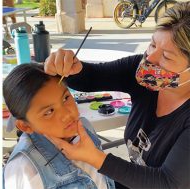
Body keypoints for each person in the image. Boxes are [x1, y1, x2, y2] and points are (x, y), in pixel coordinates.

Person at [43, 2, 190, 188]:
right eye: (152, 44)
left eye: (167, 57)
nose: (150, 58)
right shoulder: (144, 73)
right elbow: (91, 77)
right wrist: (69, 67)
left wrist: (95, 158)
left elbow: (168, 183)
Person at [3, 63, 115, 188]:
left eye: (65, 98)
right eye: (49, 111)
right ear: (25, 126)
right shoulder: (24, 169)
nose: (67, 114)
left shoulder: (84, 126)